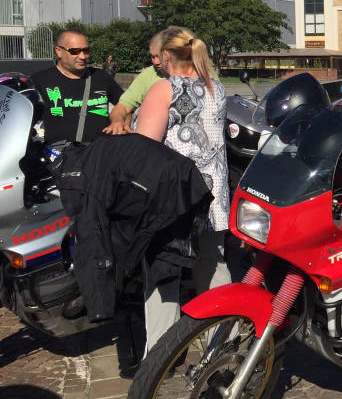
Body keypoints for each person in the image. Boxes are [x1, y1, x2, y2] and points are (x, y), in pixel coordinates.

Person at [133, 26, 231, 353]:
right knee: (213, 268)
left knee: (163, 274)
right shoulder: (216, 87)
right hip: (213, 195)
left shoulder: (164, 88)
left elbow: (144, 148)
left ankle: (161, 354)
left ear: (165, 56)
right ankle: (222, 346)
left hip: (174, 197)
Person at [33, 29, 123, 146]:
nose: (82, 56)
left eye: (86, 51)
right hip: (61, 158)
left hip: (102, 154)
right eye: (75, 51)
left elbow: (126, 105)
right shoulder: (40, 80)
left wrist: (120, 121)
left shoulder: (101, 77)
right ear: (59, 51)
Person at [104, 33, 164, 135]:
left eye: (159, 56)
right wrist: (117, 121)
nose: (156, 62)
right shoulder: (148, 74)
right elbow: (122, 107)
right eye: (152, 57)